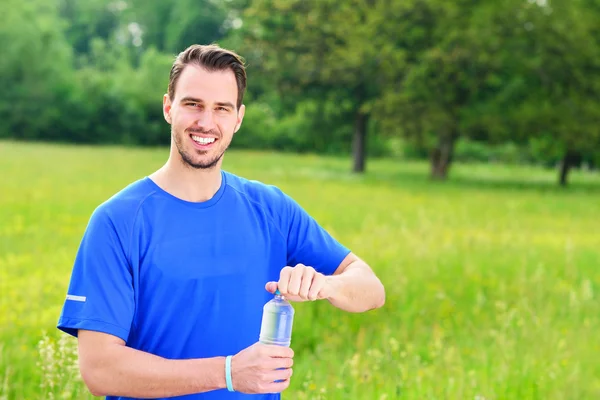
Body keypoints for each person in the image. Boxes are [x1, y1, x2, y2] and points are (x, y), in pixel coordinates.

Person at [56, 43, 386, 400]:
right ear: (169, 107)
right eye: (192, 104)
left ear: (238, 118)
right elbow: (100, 370)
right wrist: (228, 373)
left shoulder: (270, 208)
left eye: (221, 109)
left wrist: (326, 285)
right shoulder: (118, 221)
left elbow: (371, 289)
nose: (206, 122)